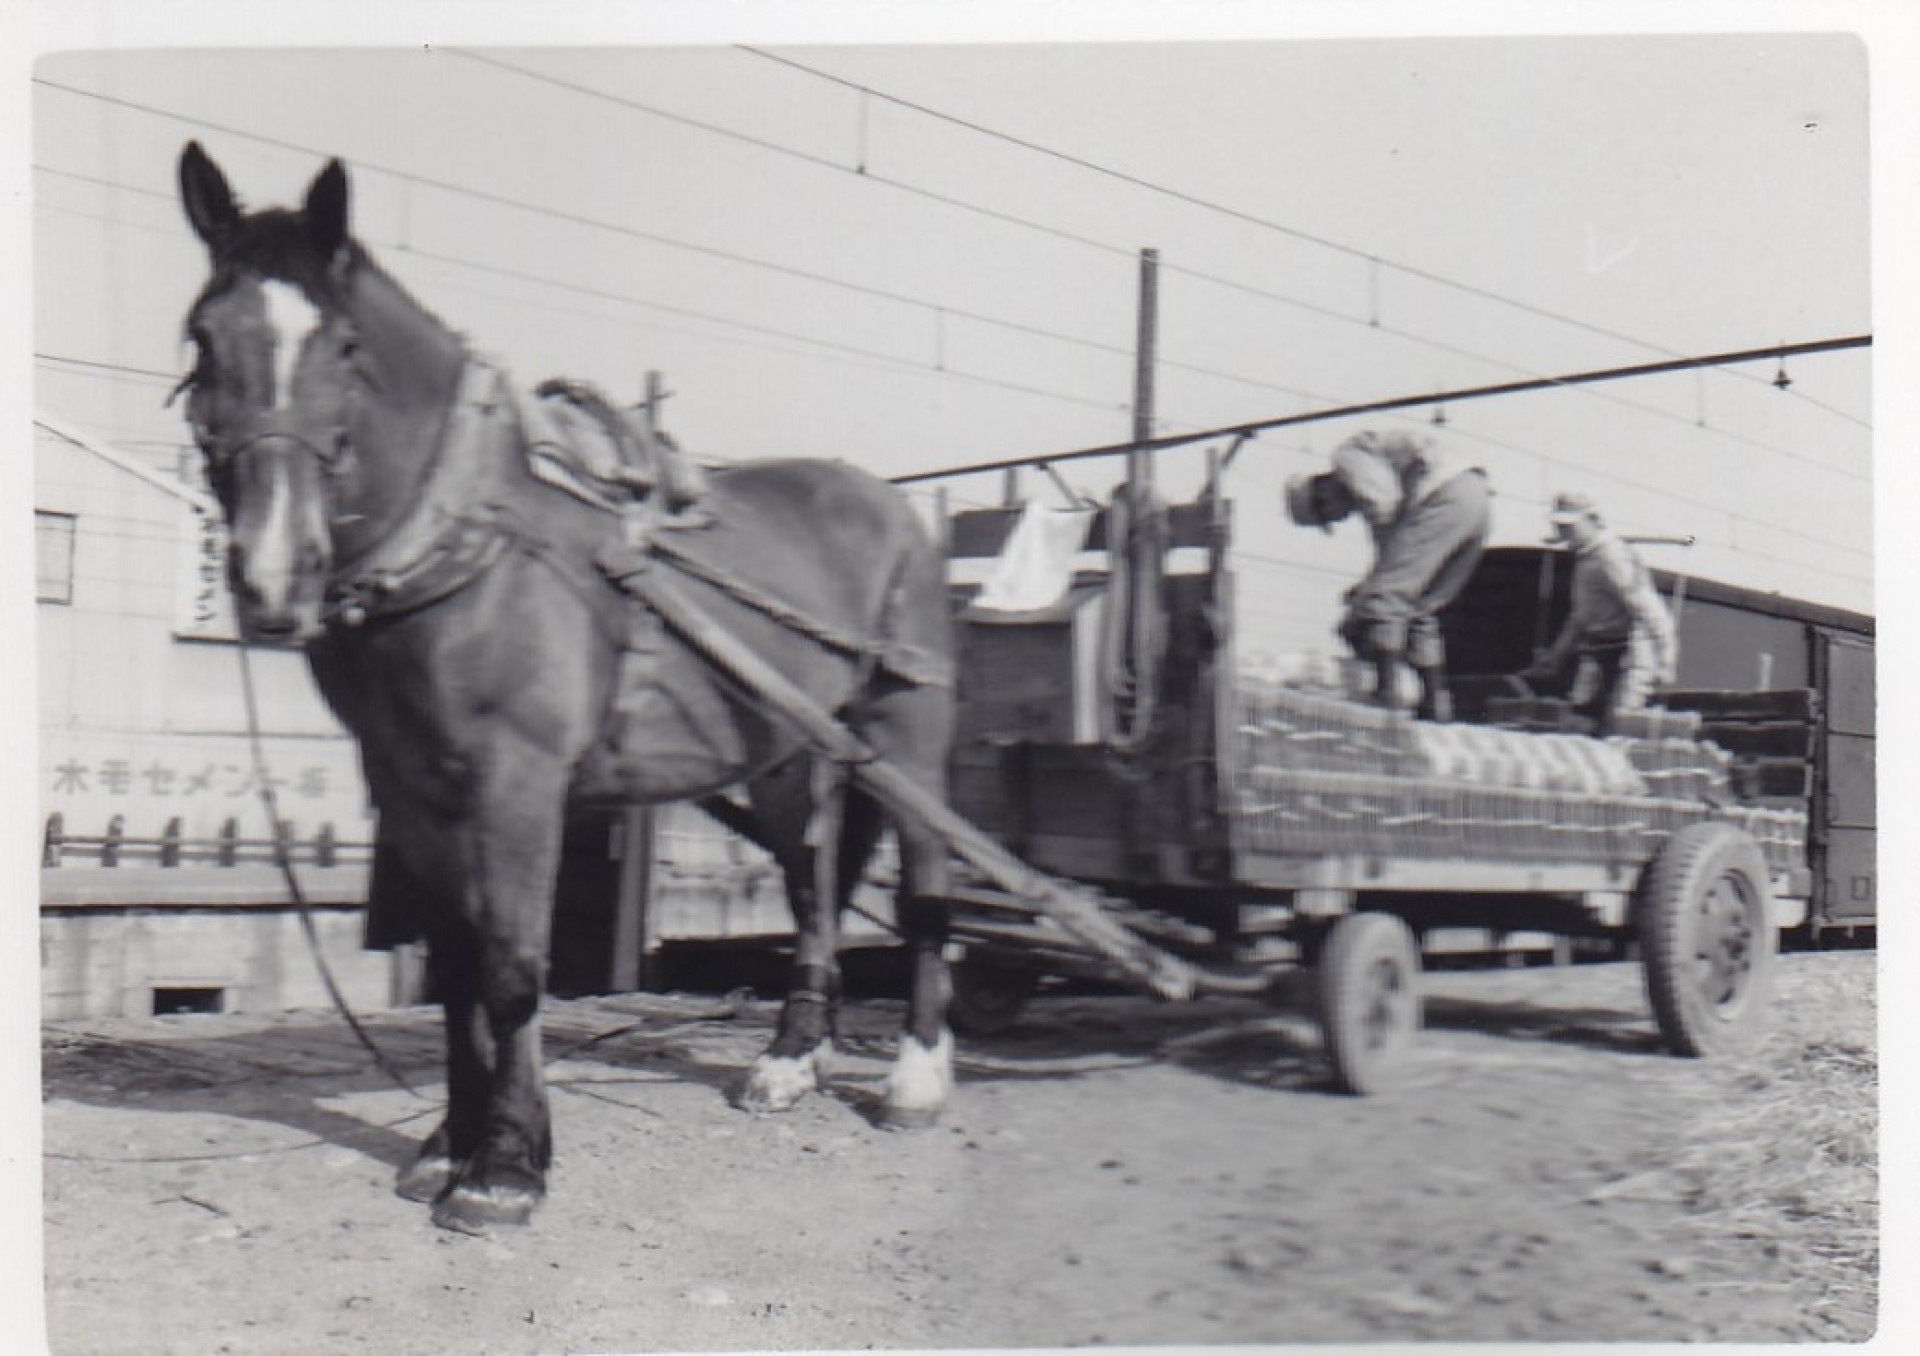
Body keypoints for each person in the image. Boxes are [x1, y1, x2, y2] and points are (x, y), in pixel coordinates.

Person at [1284, 428, 1491, 721]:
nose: (1340, 518)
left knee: (1388, 597)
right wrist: (1376, 581)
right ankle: (1435, 703)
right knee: (1419, 605)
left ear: (1323, 491)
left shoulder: (1347, 458)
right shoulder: (1369, 474)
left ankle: (1386, 694)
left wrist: (1371, 593)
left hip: (1444, 493)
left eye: (1330, 515)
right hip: (1477, 500)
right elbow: (1395, 552)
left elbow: (1385, 504)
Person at [1519, 490, 1678, 731]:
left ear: (1591, 520)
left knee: (1621, 724)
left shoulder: (1612, 557)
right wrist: (1555, 656)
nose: (1563, 533)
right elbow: (1580, 617)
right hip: (1597, 649)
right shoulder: (1586, 558)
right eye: (1559, 526)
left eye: (1570, 526)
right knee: (1580, 717)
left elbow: (1649, 611)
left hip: (1629, 653)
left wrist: (1666, 660)